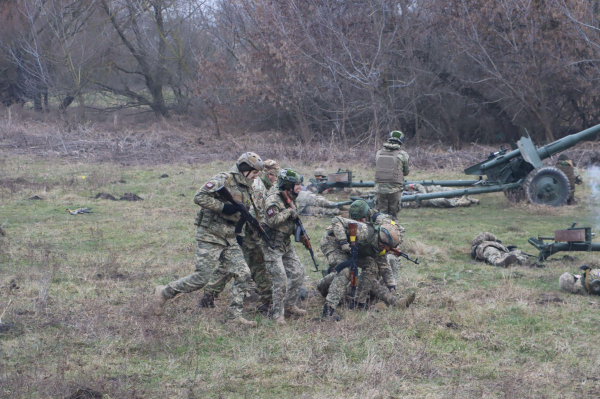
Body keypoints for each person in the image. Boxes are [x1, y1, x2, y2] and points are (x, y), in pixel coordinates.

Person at [149, 152, 265, 327]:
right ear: (245, 169)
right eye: (255, 172)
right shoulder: (224, 179)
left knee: (244, 274)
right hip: (210, 234)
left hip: (230, 236)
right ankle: (164, 292)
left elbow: (241, 213)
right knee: (201, 278)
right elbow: (199, 197)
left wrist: (241, 233)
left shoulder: (247, 187)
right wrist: (223, 207)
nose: (257, 177)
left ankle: (234, 318)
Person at [198, 160, 279, 315]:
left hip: (248, 230)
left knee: (244, 266)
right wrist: (247, 233)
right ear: (269, 175)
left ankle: (209, 296)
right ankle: (267, 301)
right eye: (275, 177)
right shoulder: (258, 188)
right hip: (247, 231)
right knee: (251, 265)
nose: (275, 180)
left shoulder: (259, 185)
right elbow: (248, 213)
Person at [318, 203, 414, 321]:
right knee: (346, 270)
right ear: (383, 243)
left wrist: (392, 287)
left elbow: (384, 267)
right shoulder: (364, 231)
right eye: (388, 248)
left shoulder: (379, 247)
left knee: (372, 266)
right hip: (333, 243)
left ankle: (359, 303)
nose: (389, 251)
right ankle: (328, 311)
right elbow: (336, 220)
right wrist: (343, 243)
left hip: (352, 249)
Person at [263, 168, 308, 324]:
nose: (300, 188)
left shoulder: (290, 197)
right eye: (297, 185)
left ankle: (289, 306)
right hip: (272, 245)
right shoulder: (273, 199)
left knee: (298, 272)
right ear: (288, 185)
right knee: (280, 279)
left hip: (285, 244)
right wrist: (289, 212)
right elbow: (272, 221)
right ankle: (278, 314)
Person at [374, 131, 410, 219]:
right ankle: (393, 231)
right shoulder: (403, 155)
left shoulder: (379, 153)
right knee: (393, 216)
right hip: (394, 190)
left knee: (381, 216)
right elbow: (406, 172)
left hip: (380, 189)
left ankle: (382, 231)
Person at [403, 183, 479, 208]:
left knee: (450, 191)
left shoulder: (403, 187)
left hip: (428, 190)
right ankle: (463, 202)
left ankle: (469, 198)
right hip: (422, 200)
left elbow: (417, 185)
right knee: (443, 201)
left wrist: (424, 194)